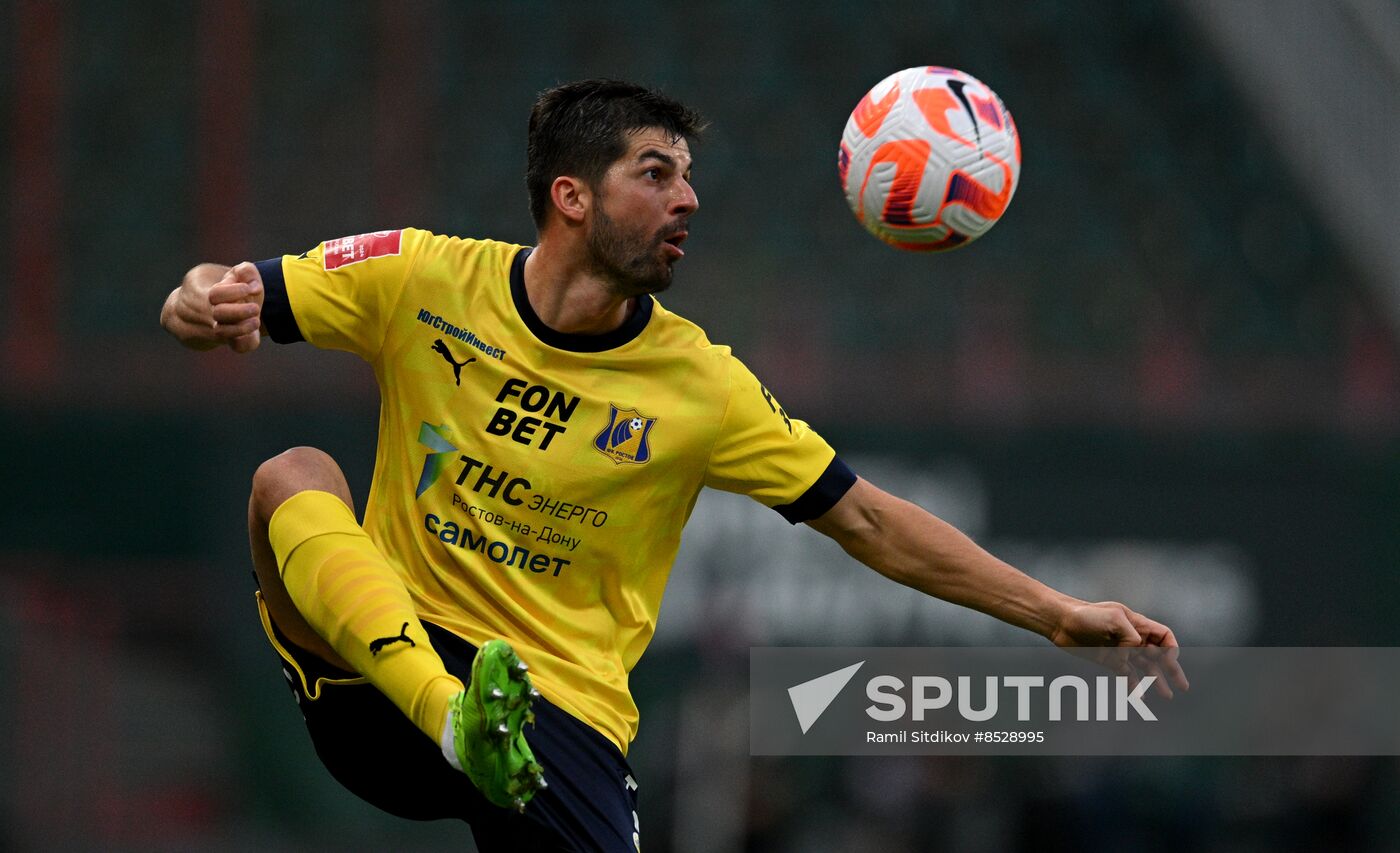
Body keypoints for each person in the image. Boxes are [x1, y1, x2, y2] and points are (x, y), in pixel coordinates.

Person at [160, 79, 1182, 852]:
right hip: (389, 677)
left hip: (556, 712)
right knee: (289, 474)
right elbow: (220, 287)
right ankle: (452, 717)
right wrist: (200, 299)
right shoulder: (421, 276)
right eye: (656, 173)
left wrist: (1053, 613)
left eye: (687, 177)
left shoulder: (701, 385)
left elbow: (867, 521)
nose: (687, 198)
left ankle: (478, 728)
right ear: (569, 195)